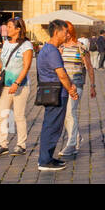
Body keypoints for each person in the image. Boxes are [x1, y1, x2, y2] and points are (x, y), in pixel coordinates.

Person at [34, 20, 78, 171]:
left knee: (51, 125)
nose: (67, 35)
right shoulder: (52, 51)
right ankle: (45, 160)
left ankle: (47, 157)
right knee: (53, 126)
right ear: (56, 32)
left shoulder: (46, 49)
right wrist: (71, 89)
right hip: (57, 92)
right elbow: (61, 74)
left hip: (50, 91)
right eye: (65, 32)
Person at [0, 15, 34, 157]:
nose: (6, 29)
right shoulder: (6, 43)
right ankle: (3, 144)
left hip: (20, 86)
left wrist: (17, 82)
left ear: (18, 29)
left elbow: (26, 67)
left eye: (9, 27)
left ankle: (21, 144)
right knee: (2, 114)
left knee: (19, 116)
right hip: (4, 85)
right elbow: (3, 62)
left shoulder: (27, 46)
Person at [58, 22, 96, 158]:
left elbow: (89, 67)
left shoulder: (81, 48)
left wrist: (92, 86)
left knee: (70, 111)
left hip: (76, 83)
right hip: (63, 85)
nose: (64, 34)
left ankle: (72, 144)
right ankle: (77, 136)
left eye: (66, 32)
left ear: (71, 33)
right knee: (65, 114)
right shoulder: (60, 47)